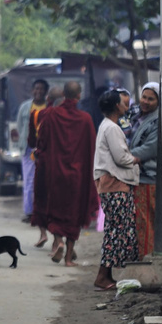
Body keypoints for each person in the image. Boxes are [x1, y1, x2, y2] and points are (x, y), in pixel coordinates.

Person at [31, 82, 99, 267]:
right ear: (78, 96)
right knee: (73, 215)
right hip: (77, 176)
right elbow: (91, 149)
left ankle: (58, 241)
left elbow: (41, 142)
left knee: (56, 210)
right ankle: (68, 259)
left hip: (56, 173)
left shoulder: (51, 115)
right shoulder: (85, 119)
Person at [93, 89, 141, 291]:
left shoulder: (107, 126)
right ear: (116, 106)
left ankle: (107, 274)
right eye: (122, 103)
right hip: (115, 183)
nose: (126, 106)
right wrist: (136, 159)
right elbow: (122, 158)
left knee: (115, 228)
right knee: (116, 229)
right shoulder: (112, 128)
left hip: (111, 182)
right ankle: (103, 275)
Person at [128, 82, 159, 260]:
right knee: (138, 222)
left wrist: (124, 157)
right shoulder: (135, 115)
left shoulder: (157, 120)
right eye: (144, 97)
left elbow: (150, 148)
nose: (146, 102)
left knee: (145, 222)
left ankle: (146, 261)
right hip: (135, 177)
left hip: (148, 178)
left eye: (151, 99)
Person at [16, 79, 49, 236]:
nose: (39, 91)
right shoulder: (25, 108)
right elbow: (20, 127)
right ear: (32, 90)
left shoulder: (49, 107)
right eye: (36, 88)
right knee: (29, 180)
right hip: (29, 148)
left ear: (45, 91)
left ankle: (45, 212)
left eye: (42, 89)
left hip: (46, 149)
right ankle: (29, 213)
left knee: (45, 181)